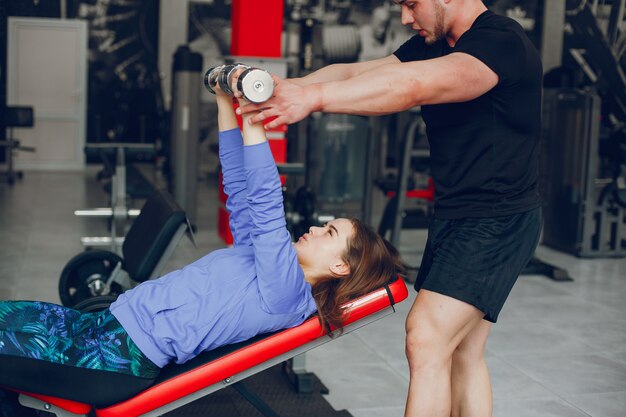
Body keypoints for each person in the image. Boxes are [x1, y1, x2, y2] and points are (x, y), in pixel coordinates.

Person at [0, 83, 403, 410]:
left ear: (341, 268)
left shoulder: (287, 295)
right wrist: (226, 102)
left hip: (114, 361)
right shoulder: (262, 263)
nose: (314, 229)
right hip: (100, 330)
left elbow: (265, 203)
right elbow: (241, 190)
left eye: (329, 234)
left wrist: (256, 121)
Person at [237, 1, 543, 416]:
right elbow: (359, 72)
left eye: (411, 3)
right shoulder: (437, 44)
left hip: (496, 219)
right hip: (458, 215)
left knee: (426, 337)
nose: (404, 17)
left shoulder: (500, 43)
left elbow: (412, 86)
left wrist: (315, 99)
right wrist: (290, 86)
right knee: (462, 352)